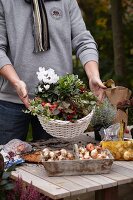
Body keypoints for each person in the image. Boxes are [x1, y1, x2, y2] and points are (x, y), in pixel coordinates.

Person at [0, 0, 105, 144]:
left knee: (57, 159)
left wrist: (93, 76)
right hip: (11, 102)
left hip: (59, 103)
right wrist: (16, 81)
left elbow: (84, 41)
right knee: (7, 162)